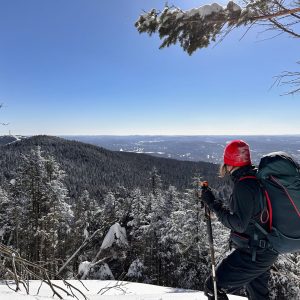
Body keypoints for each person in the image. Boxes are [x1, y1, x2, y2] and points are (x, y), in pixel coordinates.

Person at [201, 140, 278, 300]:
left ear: (230, 163)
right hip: (265, 250)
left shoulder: (244, 185)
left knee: (212, 288)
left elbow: (238, 224)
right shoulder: (256, 177)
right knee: (258, 296)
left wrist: (213, 204)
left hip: (253, 253)